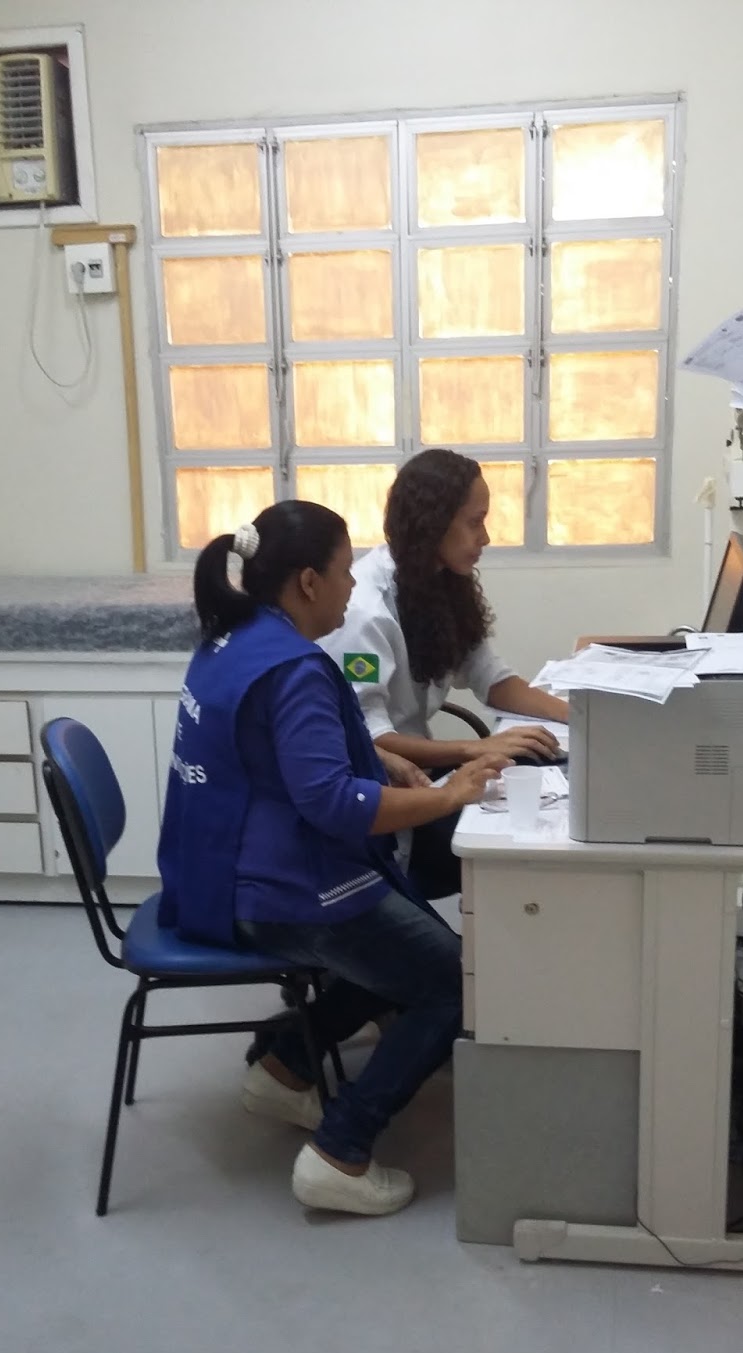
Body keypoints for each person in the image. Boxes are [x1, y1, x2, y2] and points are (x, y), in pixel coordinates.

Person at [156, 501, 505, 1217]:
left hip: (212, 872)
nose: (353, 587)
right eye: (344, 573)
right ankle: (340, 1152)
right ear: (308, 582)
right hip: (276, 892)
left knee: (407, 934)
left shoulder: (231, 639)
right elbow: (334, 805)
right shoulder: (295, 668)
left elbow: (274, 758)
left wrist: (376, 759)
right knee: (454, 981)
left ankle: (285, 1067)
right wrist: (450, 794)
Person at [319, 448, 569, 898]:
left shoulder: (440, 582)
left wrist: (577, 715)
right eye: (475, 522)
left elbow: (491, 677)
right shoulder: (364, 612)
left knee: (542, 763)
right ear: (434, 523)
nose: (485, 537)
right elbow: (371, 738)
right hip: (392, 799)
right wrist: (477, 748)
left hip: (424, 773)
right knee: (527, 833)